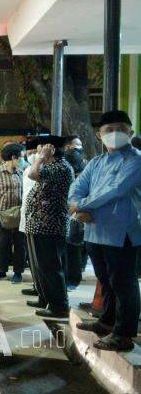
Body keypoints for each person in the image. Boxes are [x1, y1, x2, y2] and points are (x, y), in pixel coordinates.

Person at [69, 110, 141, 351]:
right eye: (109, 130)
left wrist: (80, 206)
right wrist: (78, 206)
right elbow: (77, 187)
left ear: (130, 133)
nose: (115, 134)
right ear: (99, 136)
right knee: (105, 280)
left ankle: (124, 333)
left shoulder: (135, 160)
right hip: (95, 231)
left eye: (121, 129)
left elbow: (116, 190)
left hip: (122, 232)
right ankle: (107, 321)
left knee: (123, 283)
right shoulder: (96, 163)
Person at [24, 135, 74, 318]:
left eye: (40, 148)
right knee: (40, 265)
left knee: (50, 266)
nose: (37, 152)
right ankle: (45, 297)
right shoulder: (51, 166)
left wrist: (41, 158)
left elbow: (32, 174)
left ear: (49, 149)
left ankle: (59, 305)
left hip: (49, 225)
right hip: (38, 223)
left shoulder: (59, 167)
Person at [0, 142, 26, 283]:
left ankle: (18, 272)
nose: (22, 159)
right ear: (13, 157)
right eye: (20, 157)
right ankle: (1, 271)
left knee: (20, 244)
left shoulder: (22, 173)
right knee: (3, 243)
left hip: (19, 213)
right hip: (1, 214)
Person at [64, 134, 87, 290]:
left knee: (71, 250)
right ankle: (72, 279)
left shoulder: (74, 175)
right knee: (74, 250)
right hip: (74, 218)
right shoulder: (83, 173)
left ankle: (71, 279)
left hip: (73, 217)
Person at [19, 139, 41, 298]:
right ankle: (37, 285)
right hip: (26, 216)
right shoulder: (26, 170)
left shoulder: (43, 168)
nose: (33, 155)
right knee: (32, 256)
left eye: (36, 153)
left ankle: (42, 287)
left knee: (41, 258)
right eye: (30, 153)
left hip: (40, 218)